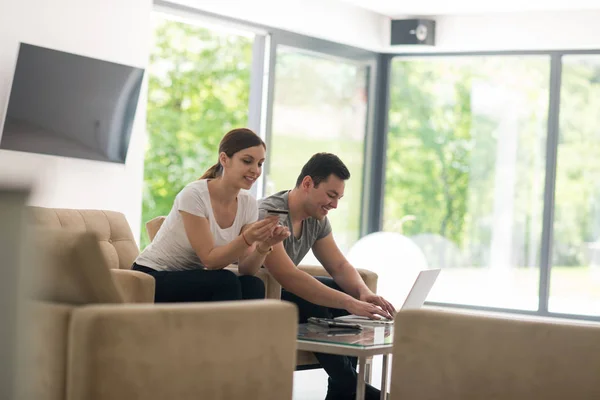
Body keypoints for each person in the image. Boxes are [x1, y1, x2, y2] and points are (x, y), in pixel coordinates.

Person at [259, 152, 395, 400]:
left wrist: (362, 292)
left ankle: (342, 389)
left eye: (339, 198)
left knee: (344, 292)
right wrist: (349, 302)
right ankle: (352, 385)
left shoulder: (316, 219)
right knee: (318, 302)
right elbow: (286, 275)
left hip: (284, 291)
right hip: (261, 294)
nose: (334, 205)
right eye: (331, 195)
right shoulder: (270, 213)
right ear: (308, 183)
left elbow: (339, 266)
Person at [132, 128, 290, 303]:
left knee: (252, 284)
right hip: (152, 276)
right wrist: (247, 237)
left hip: (192, 277)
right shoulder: (194, 195)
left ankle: (247, 332)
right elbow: (210, 261)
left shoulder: (248, 203)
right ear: (224, 159)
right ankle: (226, 331)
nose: (255, 170)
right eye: (247, 161)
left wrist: (264, 245)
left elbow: (246, 269)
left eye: (260, 164)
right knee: (225, 281)